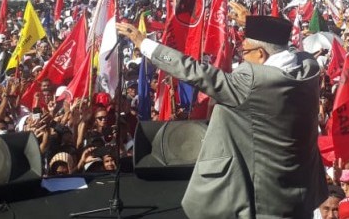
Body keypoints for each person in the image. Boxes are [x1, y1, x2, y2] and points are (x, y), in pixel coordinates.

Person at [117, 15, 328, 219]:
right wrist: (257, 26)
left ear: (261, 54)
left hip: (265, 199)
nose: (241, 57)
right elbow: (289, 50)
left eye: (244, 51)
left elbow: (196, 72)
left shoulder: (253, 82)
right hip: (301, 195)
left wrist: (144, 44)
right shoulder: (308, 68)